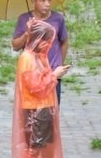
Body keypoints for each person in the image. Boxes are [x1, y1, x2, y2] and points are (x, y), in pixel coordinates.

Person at [12, 17, 68, 158]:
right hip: (35, 112)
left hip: (44, 110)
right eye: (47, 42)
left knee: (44, 147)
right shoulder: (28, 59)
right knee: (35, 148)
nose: (49, 45)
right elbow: (36, 88)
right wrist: (55, 75)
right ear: (39, 40)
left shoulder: (40, 56)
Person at [12, 0, 70, 101]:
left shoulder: (58, 19)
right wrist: (27, 33)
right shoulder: (24, 19)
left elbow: (64, 42)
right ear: (33, 1)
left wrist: (59, 64)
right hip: (32, 75)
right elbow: (15, 46)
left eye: (49, 0)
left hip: (53, 73)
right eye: (43, 1)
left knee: (52, 112)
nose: (47, 4)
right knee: (33, 114)